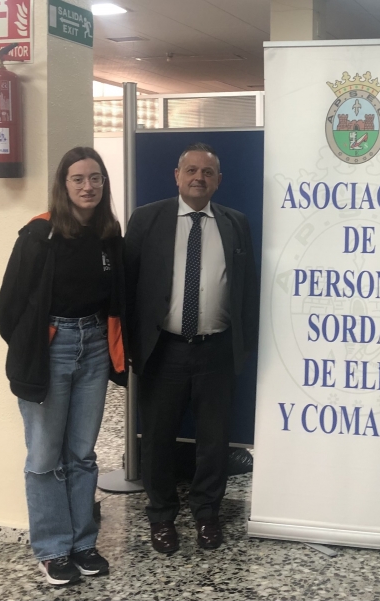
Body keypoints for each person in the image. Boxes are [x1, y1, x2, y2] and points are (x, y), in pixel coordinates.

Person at [0, 147, 128, 587]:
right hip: (52, 348)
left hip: (93, 347)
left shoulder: (110, 234)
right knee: (45, 455)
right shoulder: (39, 235)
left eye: (95, 178)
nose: (88, 186)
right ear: (63, 184)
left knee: (82, 454)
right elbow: (8, 308)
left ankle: (83, 543)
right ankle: (53, 550)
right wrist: (35, 346)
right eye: (78, 179)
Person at [125, 142, 259, 554]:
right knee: (159, 440)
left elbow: (246, 289)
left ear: (219, 180)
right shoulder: (147, 219)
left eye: (208, 172)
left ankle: (206, 514)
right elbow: (127, 289)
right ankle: (162, 517)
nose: (199, 177)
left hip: (215, 351)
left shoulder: (235, 223)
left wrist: (244, 345)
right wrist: (132, 348)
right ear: (177, 175)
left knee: (214, 441)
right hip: (163, 350)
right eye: (192, 170)